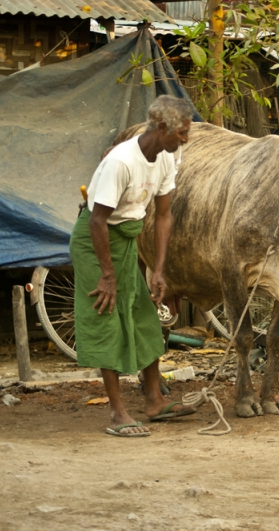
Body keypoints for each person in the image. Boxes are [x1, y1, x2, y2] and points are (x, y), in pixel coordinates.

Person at [70, 95, 195, 437]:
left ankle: (154, 400)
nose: (186, 138)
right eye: (182, 132)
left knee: (142, 314)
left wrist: (158, 269)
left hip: (125, 239)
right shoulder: (122, 162)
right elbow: (97, 221)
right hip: (95, 242)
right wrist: (107, 275)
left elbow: (164, 215)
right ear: (163, 127)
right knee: (106, 318)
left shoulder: (168, 156)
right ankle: (117, 412)